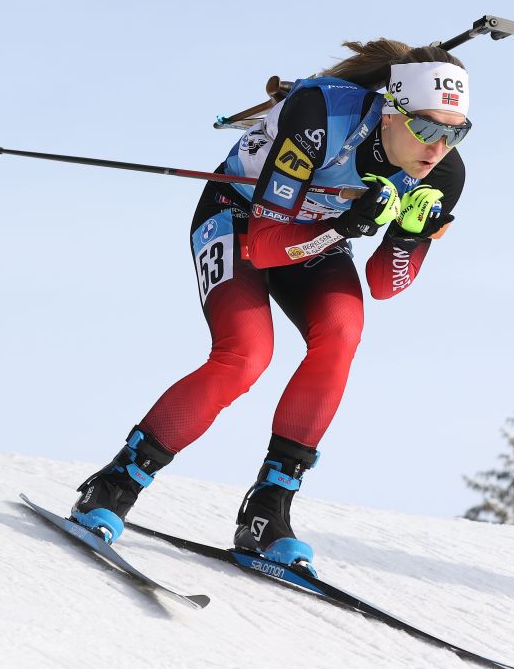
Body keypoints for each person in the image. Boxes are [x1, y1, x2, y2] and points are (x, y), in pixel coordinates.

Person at [69, 39, 470, 573]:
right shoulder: (321, 116)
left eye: (455, 132)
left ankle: (267, 510)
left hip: (313, 236)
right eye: (427, 127)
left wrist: (406, 237)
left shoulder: (442, 175)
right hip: (239, 218)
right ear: (392, 111)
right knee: (246, 354)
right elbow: (263, 245)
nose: (438, 146)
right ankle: (116, 483)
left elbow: (383, 285)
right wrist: (341, 226)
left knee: (343, 331)